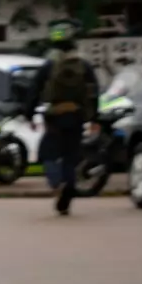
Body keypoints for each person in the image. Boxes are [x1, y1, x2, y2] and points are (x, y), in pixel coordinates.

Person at [35, 21, 96, 215]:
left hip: (55, 116)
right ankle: (69, 185)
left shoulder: (49, 65)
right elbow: (94, 92)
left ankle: (56, 183)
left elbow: (34, 88)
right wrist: (94, 118)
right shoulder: (83, 65)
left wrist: (27, 112)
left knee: (48, 152)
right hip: (77, 116)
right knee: (71, 156)